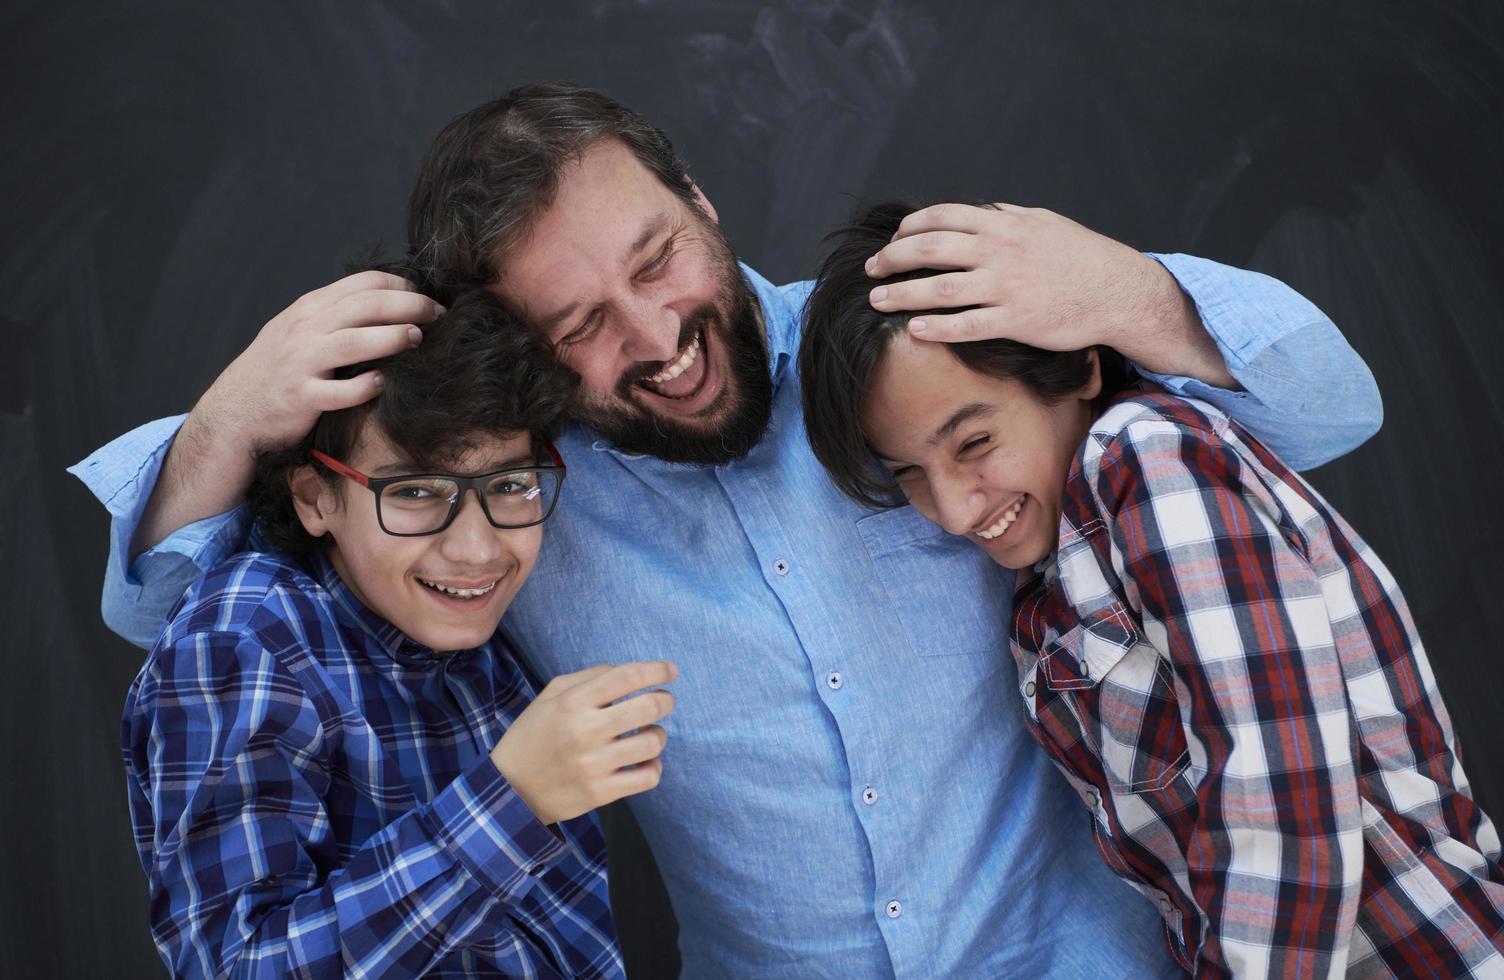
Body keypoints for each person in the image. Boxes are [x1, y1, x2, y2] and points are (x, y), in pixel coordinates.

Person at [73, 84, 1385, 977]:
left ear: (699, 197)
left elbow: (1331, 400)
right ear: (515, 354)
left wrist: (1122, 287)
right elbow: (158, 608)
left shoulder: (908, 351)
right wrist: (227, 417)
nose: (656, 339)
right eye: (580, 326)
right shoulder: (514, 491)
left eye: (657, 260)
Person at [798, 201, 1504, 977]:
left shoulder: (1144, 456)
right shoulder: (1044, 596)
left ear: (1079, 367)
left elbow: (1282, 806)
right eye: (910, 474)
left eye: (974, 443)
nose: (957, 508)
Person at [121, 288, 677, 977]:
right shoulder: (246, 634)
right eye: (414, 493)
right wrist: (513, 801)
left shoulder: (489, 629)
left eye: (509, 485)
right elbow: (235, 965)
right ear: (315, 497)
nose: (478, 551)